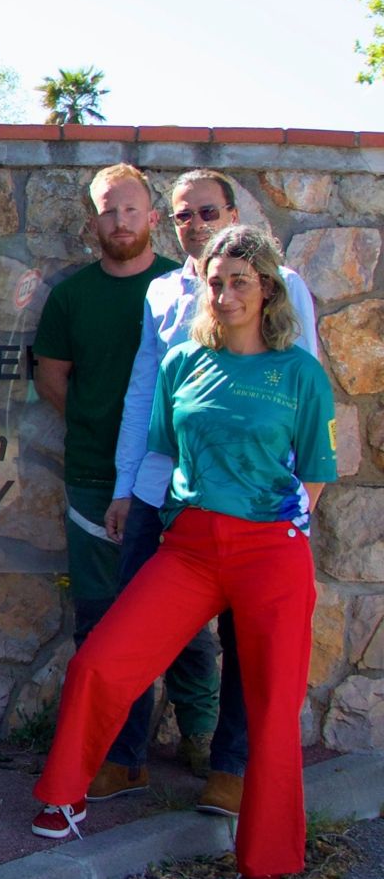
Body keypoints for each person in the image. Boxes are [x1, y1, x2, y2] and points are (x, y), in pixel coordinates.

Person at [31, 225, 336, 879]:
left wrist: (290, 521)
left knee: (273, 705)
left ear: (267, 292)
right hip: (191, 543)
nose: (224, 294)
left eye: (239, 283)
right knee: (102, 659)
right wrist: (133, 499)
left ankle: (265, 858)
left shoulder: (299, 373)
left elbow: (316, 467)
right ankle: (63, 795)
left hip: (271, 552)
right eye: (216, 282)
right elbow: (164, 450)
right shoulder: (183, 363)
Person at [97, 170, 320, 814]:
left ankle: (231, 770)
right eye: (182, 217)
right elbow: (144, 390)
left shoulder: (286, 287)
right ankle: (124, 758)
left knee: (246, 642)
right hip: (160, 488)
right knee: (132, 629)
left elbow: (301, 389)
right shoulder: (164, 291)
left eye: (206, 212)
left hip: (253, 500)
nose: (194, 225)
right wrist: (124, 484)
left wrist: (300, 503)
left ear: (233, 213)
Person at [32, 165, 186, 656]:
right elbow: (50, 375)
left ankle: (197, 732)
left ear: (153, 217)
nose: (120, 222)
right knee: (98, 616)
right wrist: (92, 422)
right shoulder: (72, 296)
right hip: (93, 476)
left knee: (183, 623)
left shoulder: (184, 288)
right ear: (94, 223)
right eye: (108, 212)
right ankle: (102, 732)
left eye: (131, 210)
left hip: (176, 480)